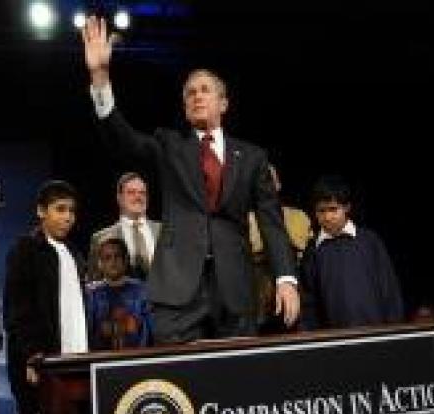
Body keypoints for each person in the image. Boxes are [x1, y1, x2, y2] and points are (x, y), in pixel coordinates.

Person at [81, 16, 299, 344]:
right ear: (184, 108)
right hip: (177, 294)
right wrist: (100, 77)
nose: (197, 96)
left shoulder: (252, 157)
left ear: (223, 103)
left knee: (236, 385)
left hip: (235, 291)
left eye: (205, 90)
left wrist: (286, 279)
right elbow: (120, 139)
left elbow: (271, 222)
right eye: (190, 93)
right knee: (178, 388)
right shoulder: (170, 145)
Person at [3, 179, 87, 414]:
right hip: (41, 368)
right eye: (60, 209)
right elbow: (19, 310)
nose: (68, 217)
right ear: (41, 211)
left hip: (75, 367)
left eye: (72, 211)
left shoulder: (74, 253)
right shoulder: (25, 249)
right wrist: (33, 357)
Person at [299, 175, 404, 329]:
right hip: (336, 338)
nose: (327, 217)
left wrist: (396, 328)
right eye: (321, 211)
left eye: (333, 209)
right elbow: (309, 301)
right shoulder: (313, 250)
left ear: (347, 207)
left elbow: (389, 289)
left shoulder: (369, 241)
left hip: (378, 332)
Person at [248, 163, 311, 333]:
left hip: (292, 300)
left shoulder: (298, 216)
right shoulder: (243, 219)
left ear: (278, 184)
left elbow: (297, 247)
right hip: (255, 304)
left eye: (270, 181)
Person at [87, 172, 161, 281]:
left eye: (142, 193)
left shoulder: (164, 231)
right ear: (119, 198)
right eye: (131, 192)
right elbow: (94, 281)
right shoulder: (101, 238)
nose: (138, 197)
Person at [86, 237, 154, 350]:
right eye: (107, 258)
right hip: (100, 359)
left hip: (138, 357)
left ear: (126, 260)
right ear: (100, 263)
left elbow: (150, 330)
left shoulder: (142, 291)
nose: (113, 262)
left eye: (117, 256)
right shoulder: (91, 294)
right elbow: (88, 331)